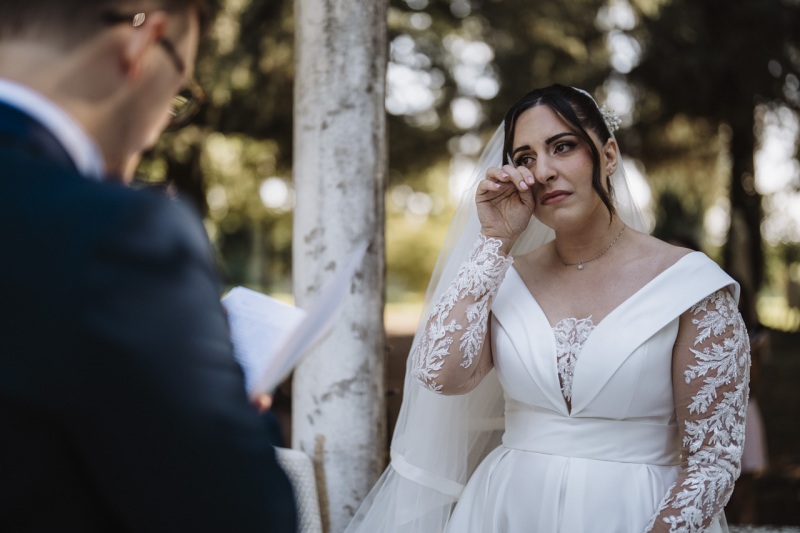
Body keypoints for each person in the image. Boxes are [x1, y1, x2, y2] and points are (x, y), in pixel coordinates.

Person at [346, 84, 750, 532]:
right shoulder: (504, 277)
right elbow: (440, 375)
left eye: (563, 147)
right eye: (525, 158)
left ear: (608, 156)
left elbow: (713, 462)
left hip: (635, 513)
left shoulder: (691, 286)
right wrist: (494, 240)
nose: (543, 171)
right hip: (503, 512)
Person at [0, 1, 297, 531]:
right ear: (141, 42)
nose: (161, 126)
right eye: (179, 93)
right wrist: (230, 409)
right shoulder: (119, 235)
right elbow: (243, 516)